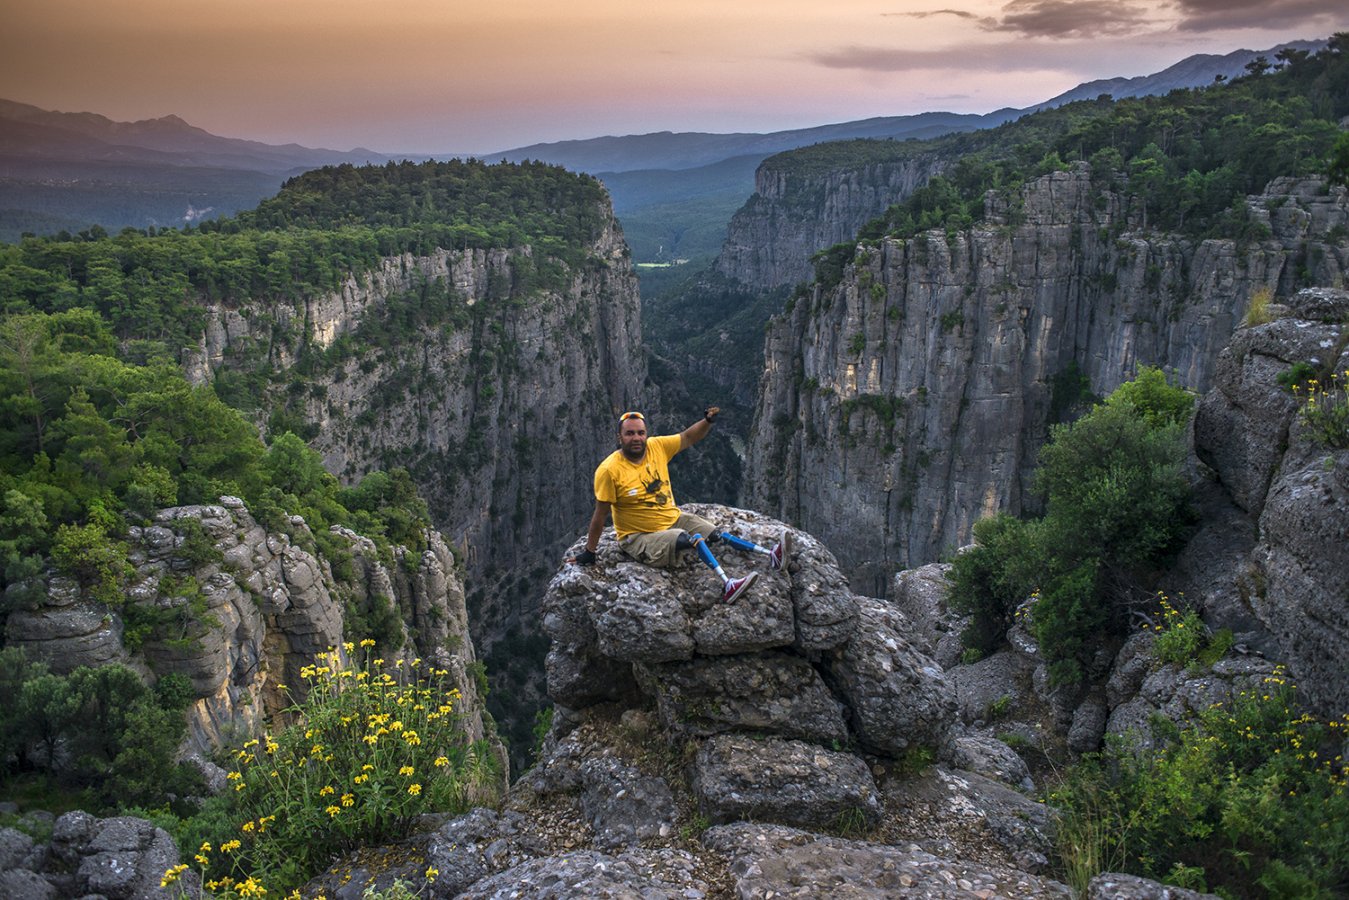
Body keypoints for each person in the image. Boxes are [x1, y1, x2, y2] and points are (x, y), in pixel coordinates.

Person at [574, 407, 792, 603]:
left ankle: (770, 554)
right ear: (619, 437)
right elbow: (600, 515)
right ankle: (728, 585)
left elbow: (688, 437)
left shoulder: (656, 447)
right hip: (638, 536)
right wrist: (590, 552)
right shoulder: (609, 470)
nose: (636, 438)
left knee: (716, 534)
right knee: (694, 539)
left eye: (640, 433)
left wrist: (707, 421)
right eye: (630, 433)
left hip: (672, 518)